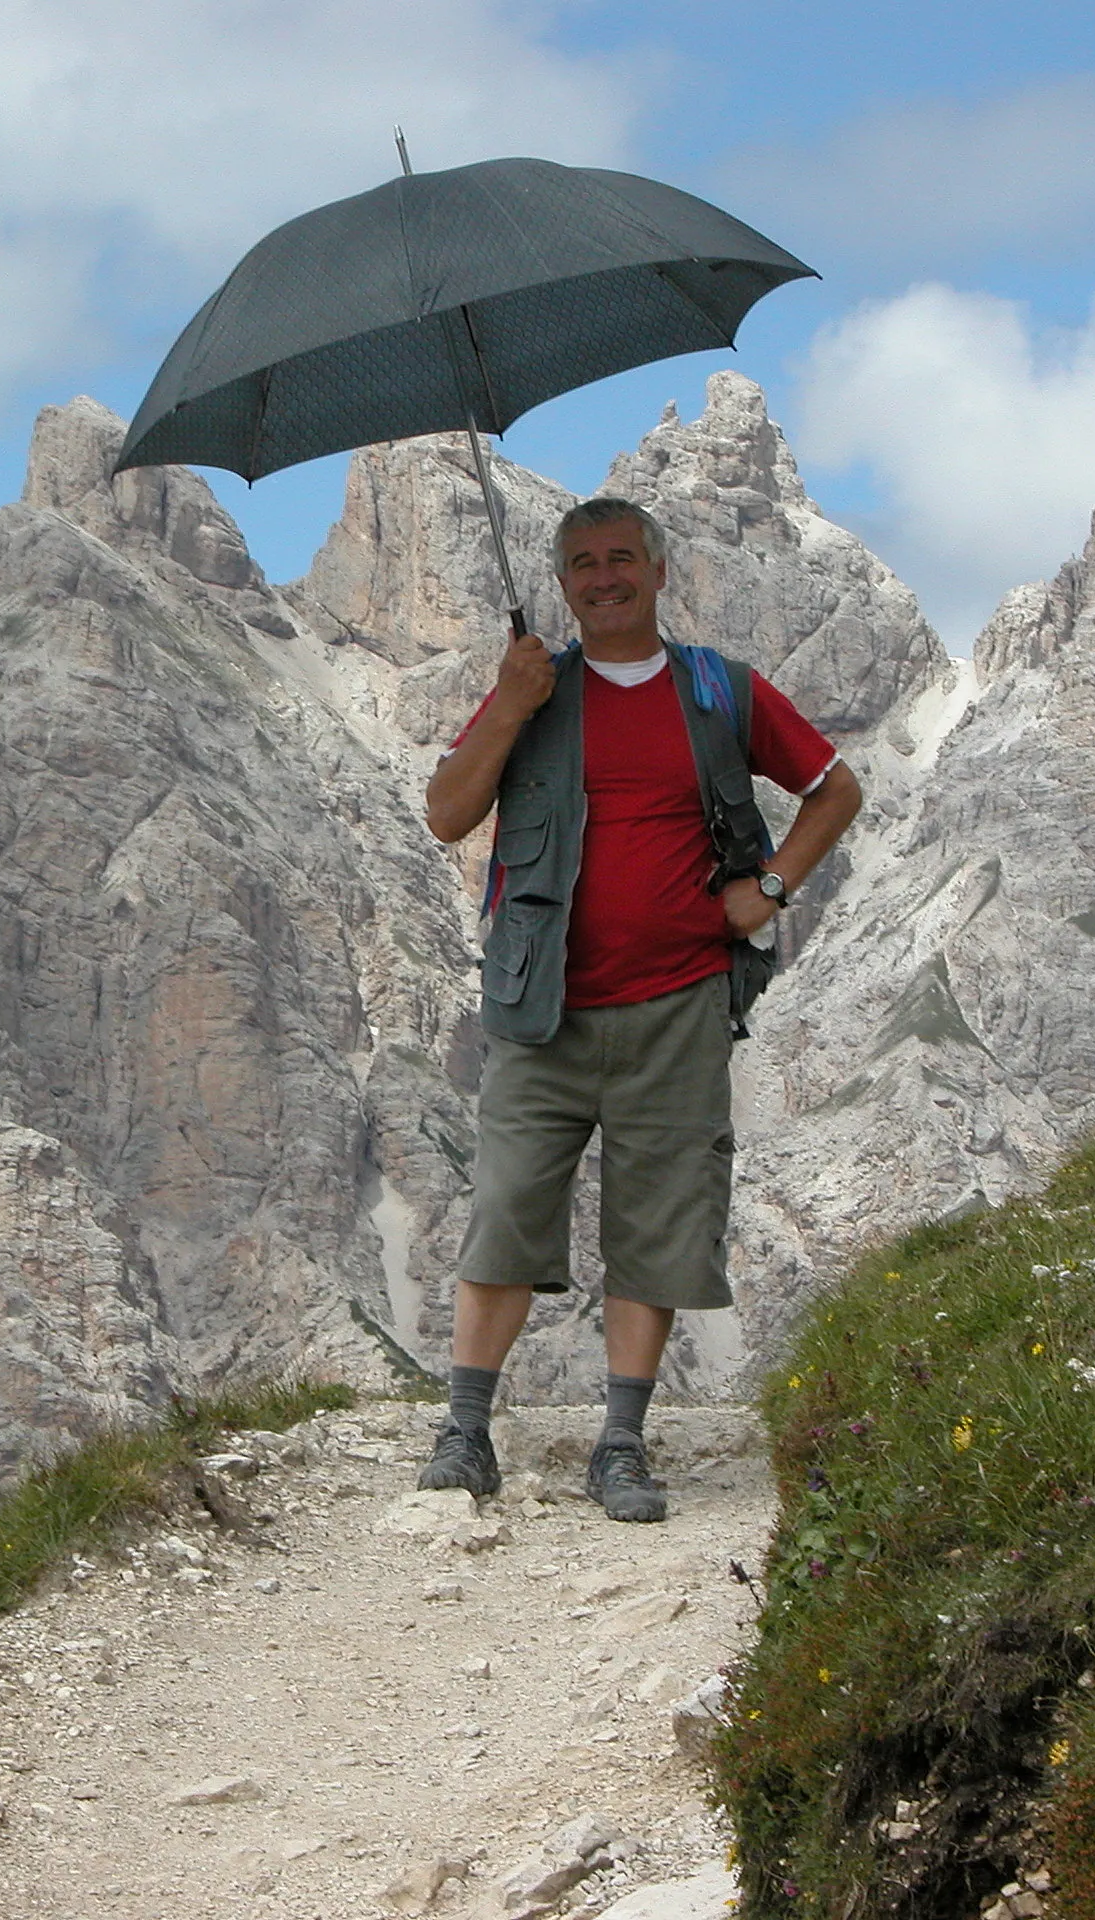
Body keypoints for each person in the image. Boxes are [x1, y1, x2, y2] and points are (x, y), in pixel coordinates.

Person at [416, 497, 861, 1521]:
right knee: (506, 1211)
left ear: (660, 573)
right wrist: (509, 705)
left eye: (621, 558)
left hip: (681, 1006)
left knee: (657, 1225)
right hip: (542, 1007)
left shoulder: (720, 692)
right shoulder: (533, 688)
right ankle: (465, 1432)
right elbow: (446, 813)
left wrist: (772, 887)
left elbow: (836, 790)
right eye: (582, 564)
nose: (603, 578)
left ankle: (620, 1444)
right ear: (561, 584)